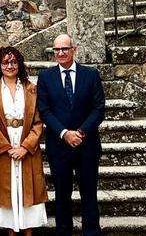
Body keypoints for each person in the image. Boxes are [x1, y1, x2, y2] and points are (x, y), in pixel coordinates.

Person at [37, 34, 105, 236]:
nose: (60, 53)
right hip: (59, 145)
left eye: (64, 49)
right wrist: (65, 133)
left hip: (87, 145)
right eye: (56, 50)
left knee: (89, 192)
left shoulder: (90, 74)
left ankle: (91, 231)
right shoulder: (45, 77)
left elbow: (99, 108)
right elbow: (45, 110)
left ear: (73, 49)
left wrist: (81, 132)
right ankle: (63, 231)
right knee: (62, 194)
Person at [0, 47, 48, 236]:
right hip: (3, 147)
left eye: (13, 62)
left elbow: (38, 122)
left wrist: (25, 147)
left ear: (19, 64)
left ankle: (28, 233)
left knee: (28, 191)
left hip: (26, 143)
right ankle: (10, 233)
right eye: (5, 62)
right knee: (7, 191)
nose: (10, 66)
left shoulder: (31, 89)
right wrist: (6, 147)